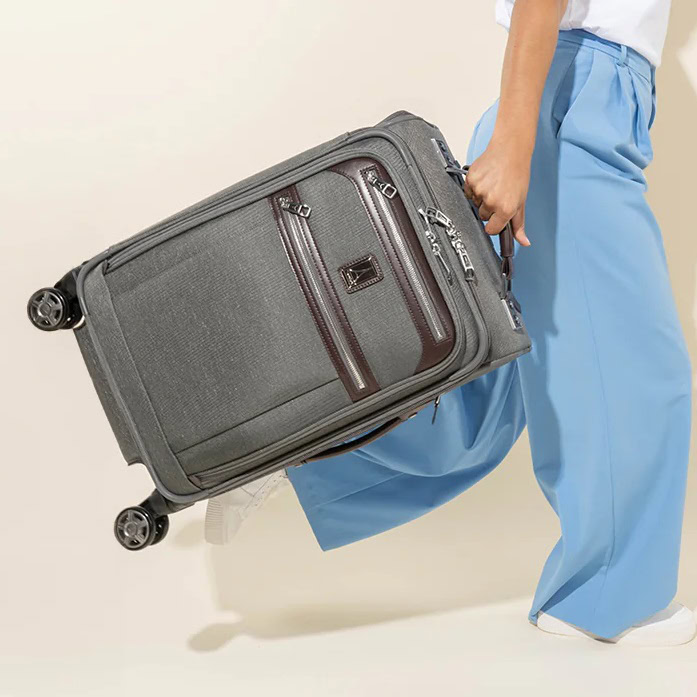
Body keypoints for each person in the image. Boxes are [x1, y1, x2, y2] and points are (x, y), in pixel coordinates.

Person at [206, 0, 696, 646]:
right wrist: (516, 147)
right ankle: (603, 598)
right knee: (640, 375)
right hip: (569, 113)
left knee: (499, 392)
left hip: (573, 109)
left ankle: (302, 460)